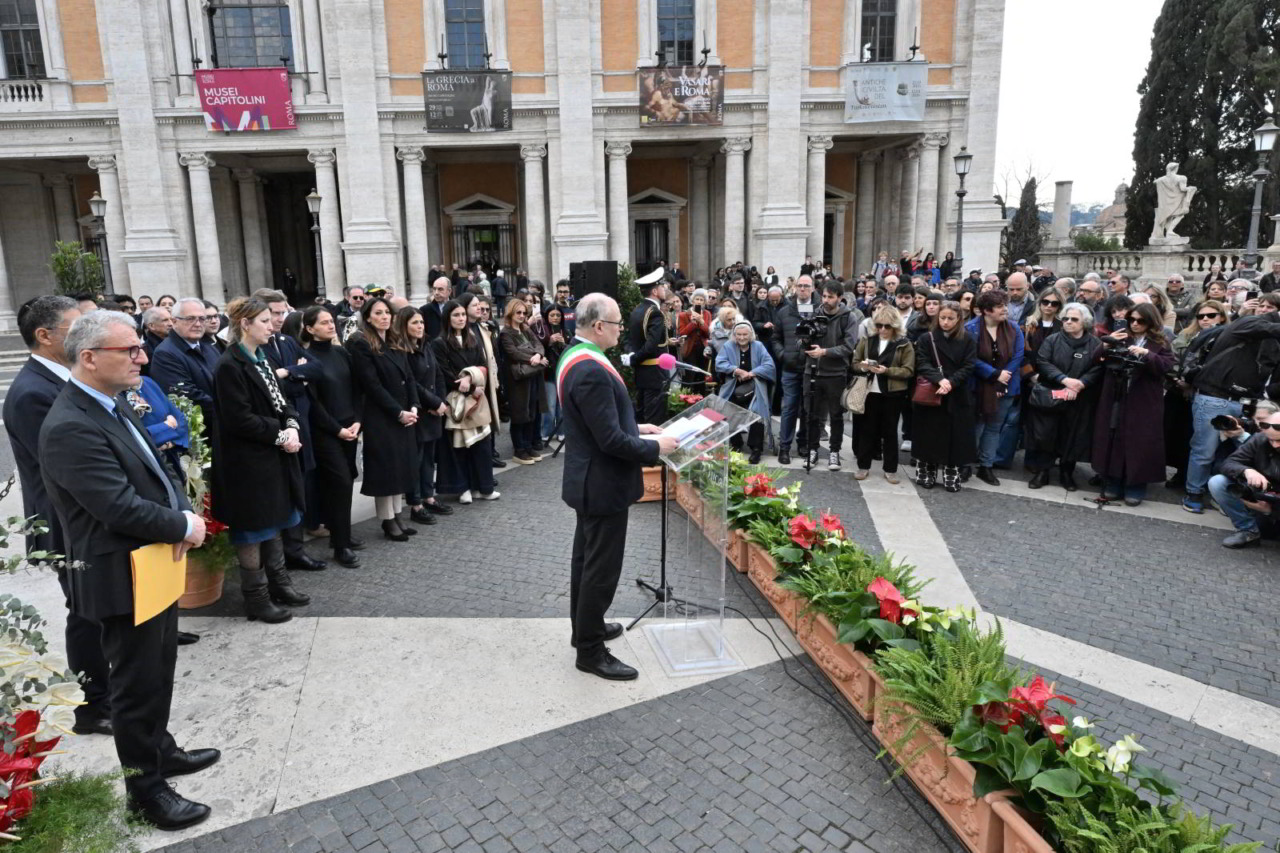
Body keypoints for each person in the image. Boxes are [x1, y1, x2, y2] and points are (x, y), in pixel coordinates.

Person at [40, 310, 216, 830]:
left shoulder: (110, 401)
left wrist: (179, 509)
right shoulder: (70, 424)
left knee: (157, 670)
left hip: (150, 564)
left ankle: (161, 752)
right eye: (130, 350)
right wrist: (182, 524)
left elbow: (157, 469)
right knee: (136, 687)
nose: (142, 357)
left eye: (140, 347)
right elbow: (115, 507)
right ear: (90, 357)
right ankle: (146, 792)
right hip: (120, 574)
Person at [4, 296, 115, 737]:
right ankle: (91, 706)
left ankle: (107, 691)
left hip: (82, 520)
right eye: (75, 327)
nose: (86, 334)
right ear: (45, 336)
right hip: (66, 524)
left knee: (99, 610)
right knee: (86, 614)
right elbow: (67, 467)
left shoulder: (61, 378)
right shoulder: (33, 392)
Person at [558, 293, 678, 681]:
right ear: (598, 326)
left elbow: (596, 422)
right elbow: (609, 440)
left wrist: (636, 427)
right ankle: (590, 651)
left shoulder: (574, 354)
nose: (621, 330)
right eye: (616, 324)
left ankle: (585, 629)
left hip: (590, 479)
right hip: (602, 483)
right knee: (600, 570)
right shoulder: (590, 368)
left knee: (586, 562)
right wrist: (655, 447)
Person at [211, 296, 311, 622]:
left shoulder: (261, 357)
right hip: (247, 464)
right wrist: (281, 435)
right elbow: (239, 419)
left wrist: (292, 425)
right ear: (245, 324)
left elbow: (281, 401)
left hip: (271, 457)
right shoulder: (229, 365)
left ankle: (280, 584)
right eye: (265, 321)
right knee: (253, 530)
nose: (272, 326)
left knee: (275, 520)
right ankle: (255, 598)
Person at [255, 290, 328, 573]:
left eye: (282, 312)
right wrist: (297, 376)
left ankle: (295, 549)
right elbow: (268, 387)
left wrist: (288, 373)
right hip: (276, 428)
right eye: (273, 313)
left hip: (300, 424)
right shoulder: (254, 348)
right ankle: (281, 555)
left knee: (300, 484)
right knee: (283, 489)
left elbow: (317, 368)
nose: (278, 318)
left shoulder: (286, 341)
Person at [346, 296, 421, 539]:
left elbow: (409, 377)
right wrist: (398, 412)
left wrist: (414, 406)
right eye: (378, 313)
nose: (384, 317)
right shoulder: (362, 344)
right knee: (386, 469)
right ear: (368, 317)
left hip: (403, 413)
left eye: (387, 312)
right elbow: (371, 385)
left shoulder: (394, 340)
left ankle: (397, 514)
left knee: (400, 467)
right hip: (381, 415)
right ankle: (387, 520)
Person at [1090, 302, 1175, 506]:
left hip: (1144, 399)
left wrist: (1147, 354)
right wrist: (1106, 345)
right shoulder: (1121, 336)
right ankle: (1113, 480)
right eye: (1131, 320)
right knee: (1114, 436)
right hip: (1116, 394)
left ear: (1151, 321)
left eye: (1140, 320)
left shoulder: (1161, 341)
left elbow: (1167, 366)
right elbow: (1095, 359)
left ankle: (1136, 484)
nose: (1135, 324)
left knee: (1141, 441)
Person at [299, 306, 363, 568]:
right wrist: (337, 430)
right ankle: (340, 545)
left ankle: (341, 532)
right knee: (340, 482)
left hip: (350, 426)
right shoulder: (306, 358)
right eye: (324, 322)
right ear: (310, 328)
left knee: (346, 480)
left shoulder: (341, 352)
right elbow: (313, 403)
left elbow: (357, 389)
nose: (330, 325)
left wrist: (358, 420)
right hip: (326, 432)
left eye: (331, 321)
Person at [1023, 303, 1103, 491]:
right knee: (1046, 434)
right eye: (1066, 318)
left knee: (1073, 436)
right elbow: (1043, 362)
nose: (1068, 322)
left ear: (1085, 322)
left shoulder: (1095, 344)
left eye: (1074, 319)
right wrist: (1064, 380)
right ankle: (1043, 472)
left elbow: (1098, 367)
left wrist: (1080, 384)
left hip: (1079, 398)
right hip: (1052, 395)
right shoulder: (1052, 340)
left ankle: (1066, 473)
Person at [432, 300, 500, 504]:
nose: (461, 318)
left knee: (481, 445)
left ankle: (483, 487)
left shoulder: (473, 339)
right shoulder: (439, 343)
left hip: (477, 398)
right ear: (447, 318)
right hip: (456, 401)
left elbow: (482, 365)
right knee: (459, 446)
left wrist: (471, 379)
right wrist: (469, 386)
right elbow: (443, 373)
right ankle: (463, 488)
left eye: (462, 314)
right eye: (456, 315)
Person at [912, 302, 978, 491]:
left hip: (956, 394)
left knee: (955, 437)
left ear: (959, 319)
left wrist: (951, 382)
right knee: (928, 435)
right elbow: (922, 362)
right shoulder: (927, 338)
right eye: (942, 318)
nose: (946, 322)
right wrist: (940, 380)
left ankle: (951, 473)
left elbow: (969, 365)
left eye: (950, 318)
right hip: (932, 391)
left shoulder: (968, 339)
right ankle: (927, 472)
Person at [395, 306, 451, 525]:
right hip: (417, 411)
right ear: (404, 325)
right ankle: (415, 504)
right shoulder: (402, 350)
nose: (420, 326)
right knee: (416, 460)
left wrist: (442, 402)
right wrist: (434, 402)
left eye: (421, 322)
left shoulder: (425, 345)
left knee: (429, 458)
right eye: (415, 323)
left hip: (433, 411)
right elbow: (412, 383)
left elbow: (438, 375)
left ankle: (429, 497)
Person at [1164, 300, 1228, 490]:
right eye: (1201, 316)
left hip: (1206, 393)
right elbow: (1172, 358)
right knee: (1176, 435)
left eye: (1211, 315)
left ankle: (1194, 480)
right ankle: (1180, 473)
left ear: (1221, 317)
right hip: (1178, 392)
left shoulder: (1227, 337)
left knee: (1199, 440)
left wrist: (1193, 384)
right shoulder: (1186, 335)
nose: (1205, 319)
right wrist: (1178, 380)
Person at [965, 291, 1024, 486]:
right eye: (999, 306)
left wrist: (1003, 377)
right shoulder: (970, 329)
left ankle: (986, 466)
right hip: (978, 385)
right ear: (986, 311)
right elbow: (970, 358)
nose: (1005, 309)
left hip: (1006, 384)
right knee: (975, 426)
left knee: (994, 427)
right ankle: (966, 464)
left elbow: (1018, 355)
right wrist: (993, 373)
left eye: (1005, 305)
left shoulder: (1014, 328)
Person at [851, 304, 915, 484]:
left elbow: (908, 370)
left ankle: (890, 469)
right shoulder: (867, 340)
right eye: (879, 325)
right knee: (866, 430)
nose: (883, 329)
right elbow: (854, 363)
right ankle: (863, 466)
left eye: (887, 326)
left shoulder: (904, 344)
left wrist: (887, 371)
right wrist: (863, 367)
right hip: (869, 391)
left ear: (895, 326)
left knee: (890, 432)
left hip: (893, 394)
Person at [802, 282, 859, 471]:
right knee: (811, 414)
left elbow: (848, 347)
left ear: (840, 298)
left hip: (836, 373)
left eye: (830, 297)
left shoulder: (848, 317)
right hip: (812, 371)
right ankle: (812, 450)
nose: (826, 300)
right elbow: (800, 343)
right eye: (824, 296)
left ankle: (834, 451)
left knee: (836, 415)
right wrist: (804, 340)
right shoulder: (813, 314)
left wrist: (825, 352)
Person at [150, 297, 221, 432]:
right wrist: (228, 408)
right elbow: (188, 397)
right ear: (174, 321)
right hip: (202, 430)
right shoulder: (165, 354)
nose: (198, 324)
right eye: (190, 319)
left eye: (202, 319)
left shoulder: (209, 347)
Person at [1210, 411, 1280, 548]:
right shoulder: (1259, 439)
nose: (1275, 445)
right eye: (1271, 440)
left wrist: (1270, 510)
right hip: (1265, 494)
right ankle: (1248, 530)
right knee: (1218, 482)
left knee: (1269, 531)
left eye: (1279, 440)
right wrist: (1246, 471)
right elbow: (1228, 463)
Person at [715, 321, 776, 463]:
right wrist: (737, 370)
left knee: (758, 412)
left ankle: (756, 448)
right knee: (727, 408)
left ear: (750, 335)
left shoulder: (758, 346)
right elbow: (719, 363)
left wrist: (752, 373)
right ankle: (736, 443)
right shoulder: (728, 346)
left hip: (755, 385)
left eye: (745, 335)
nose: (742, 337)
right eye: (739, 335)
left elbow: (769, 365)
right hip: (733, 385)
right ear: (734, 335)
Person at [499, 299, 550, 464]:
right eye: (518, 312)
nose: (521, 316)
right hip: (517, 380)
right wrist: (533, 357)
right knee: (519, 414)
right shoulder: (506, 333)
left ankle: (528, 446)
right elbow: (513, 353)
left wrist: (538, 355)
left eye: (524, 313)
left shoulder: (526, 329)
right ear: (511, 313)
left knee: (531, 412)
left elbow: (539, 345)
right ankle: (519, 449)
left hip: (532, 376)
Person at [774, 275, 819, 464]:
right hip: (790, 367)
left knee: (808, 409)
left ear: (813, 288)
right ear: (795, 288)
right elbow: (775, 338)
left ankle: (803, 444)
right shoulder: (784, 311)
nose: (802, 289)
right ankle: (784, 447)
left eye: (806, 286)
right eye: (800, 285)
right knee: (789, 408)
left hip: (812, 367)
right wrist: (783, 354)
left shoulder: (819, 310)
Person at [458, 292, 505, 468]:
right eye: (474, 305)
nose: (479, 308)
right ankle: (483, 462)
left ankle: (490, 453)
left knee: (489, 418)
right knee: (479, 421)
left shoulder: (482, 327)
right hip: (474, 382)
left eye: (479, 305)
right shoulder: (465, 330)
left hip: (488, 379)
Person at [626, 271, 672, 424]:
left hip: (641, 373)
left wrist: (631, 356)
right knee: (654, 420)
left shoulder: (637, 309)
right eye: (662, 287)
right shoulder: (655, 313)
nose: (664, 289)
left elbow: (630, 340)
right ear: (655, 291)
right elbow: (651, 346)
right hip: (655, 374)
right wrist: (634, 358)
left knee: (641, 416)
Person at [539, 304, 569, 443]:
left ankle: (561, 431)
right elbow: (538, 349)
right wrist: (549, 341)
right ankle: (546, 431)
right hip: (549, 372)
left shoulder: (566, 331)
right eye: (552, 315)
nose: (555, 318)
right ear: (547, 316)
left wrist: (564, 344)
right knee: (550, 406)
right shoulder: (543, 331)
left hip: (563, 372)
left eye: (558, 315)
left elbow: (571, 350)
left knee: (562, 405)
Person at [677, 288, 713, 392]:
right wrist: (692, 323)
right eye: (697, 299)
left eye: (702, 300)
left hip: (703, 349)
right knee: (689, 377)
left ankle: (700, 397)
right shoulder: (683, 315)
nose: (699, 302)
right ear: (692, 301)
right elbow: (682, 333)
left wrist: (702, 322)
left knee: (701, 377)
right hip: (689, 349)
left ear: (704, 302)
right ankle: (685, 398)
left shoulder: (707, 314)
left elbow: (709, 334)